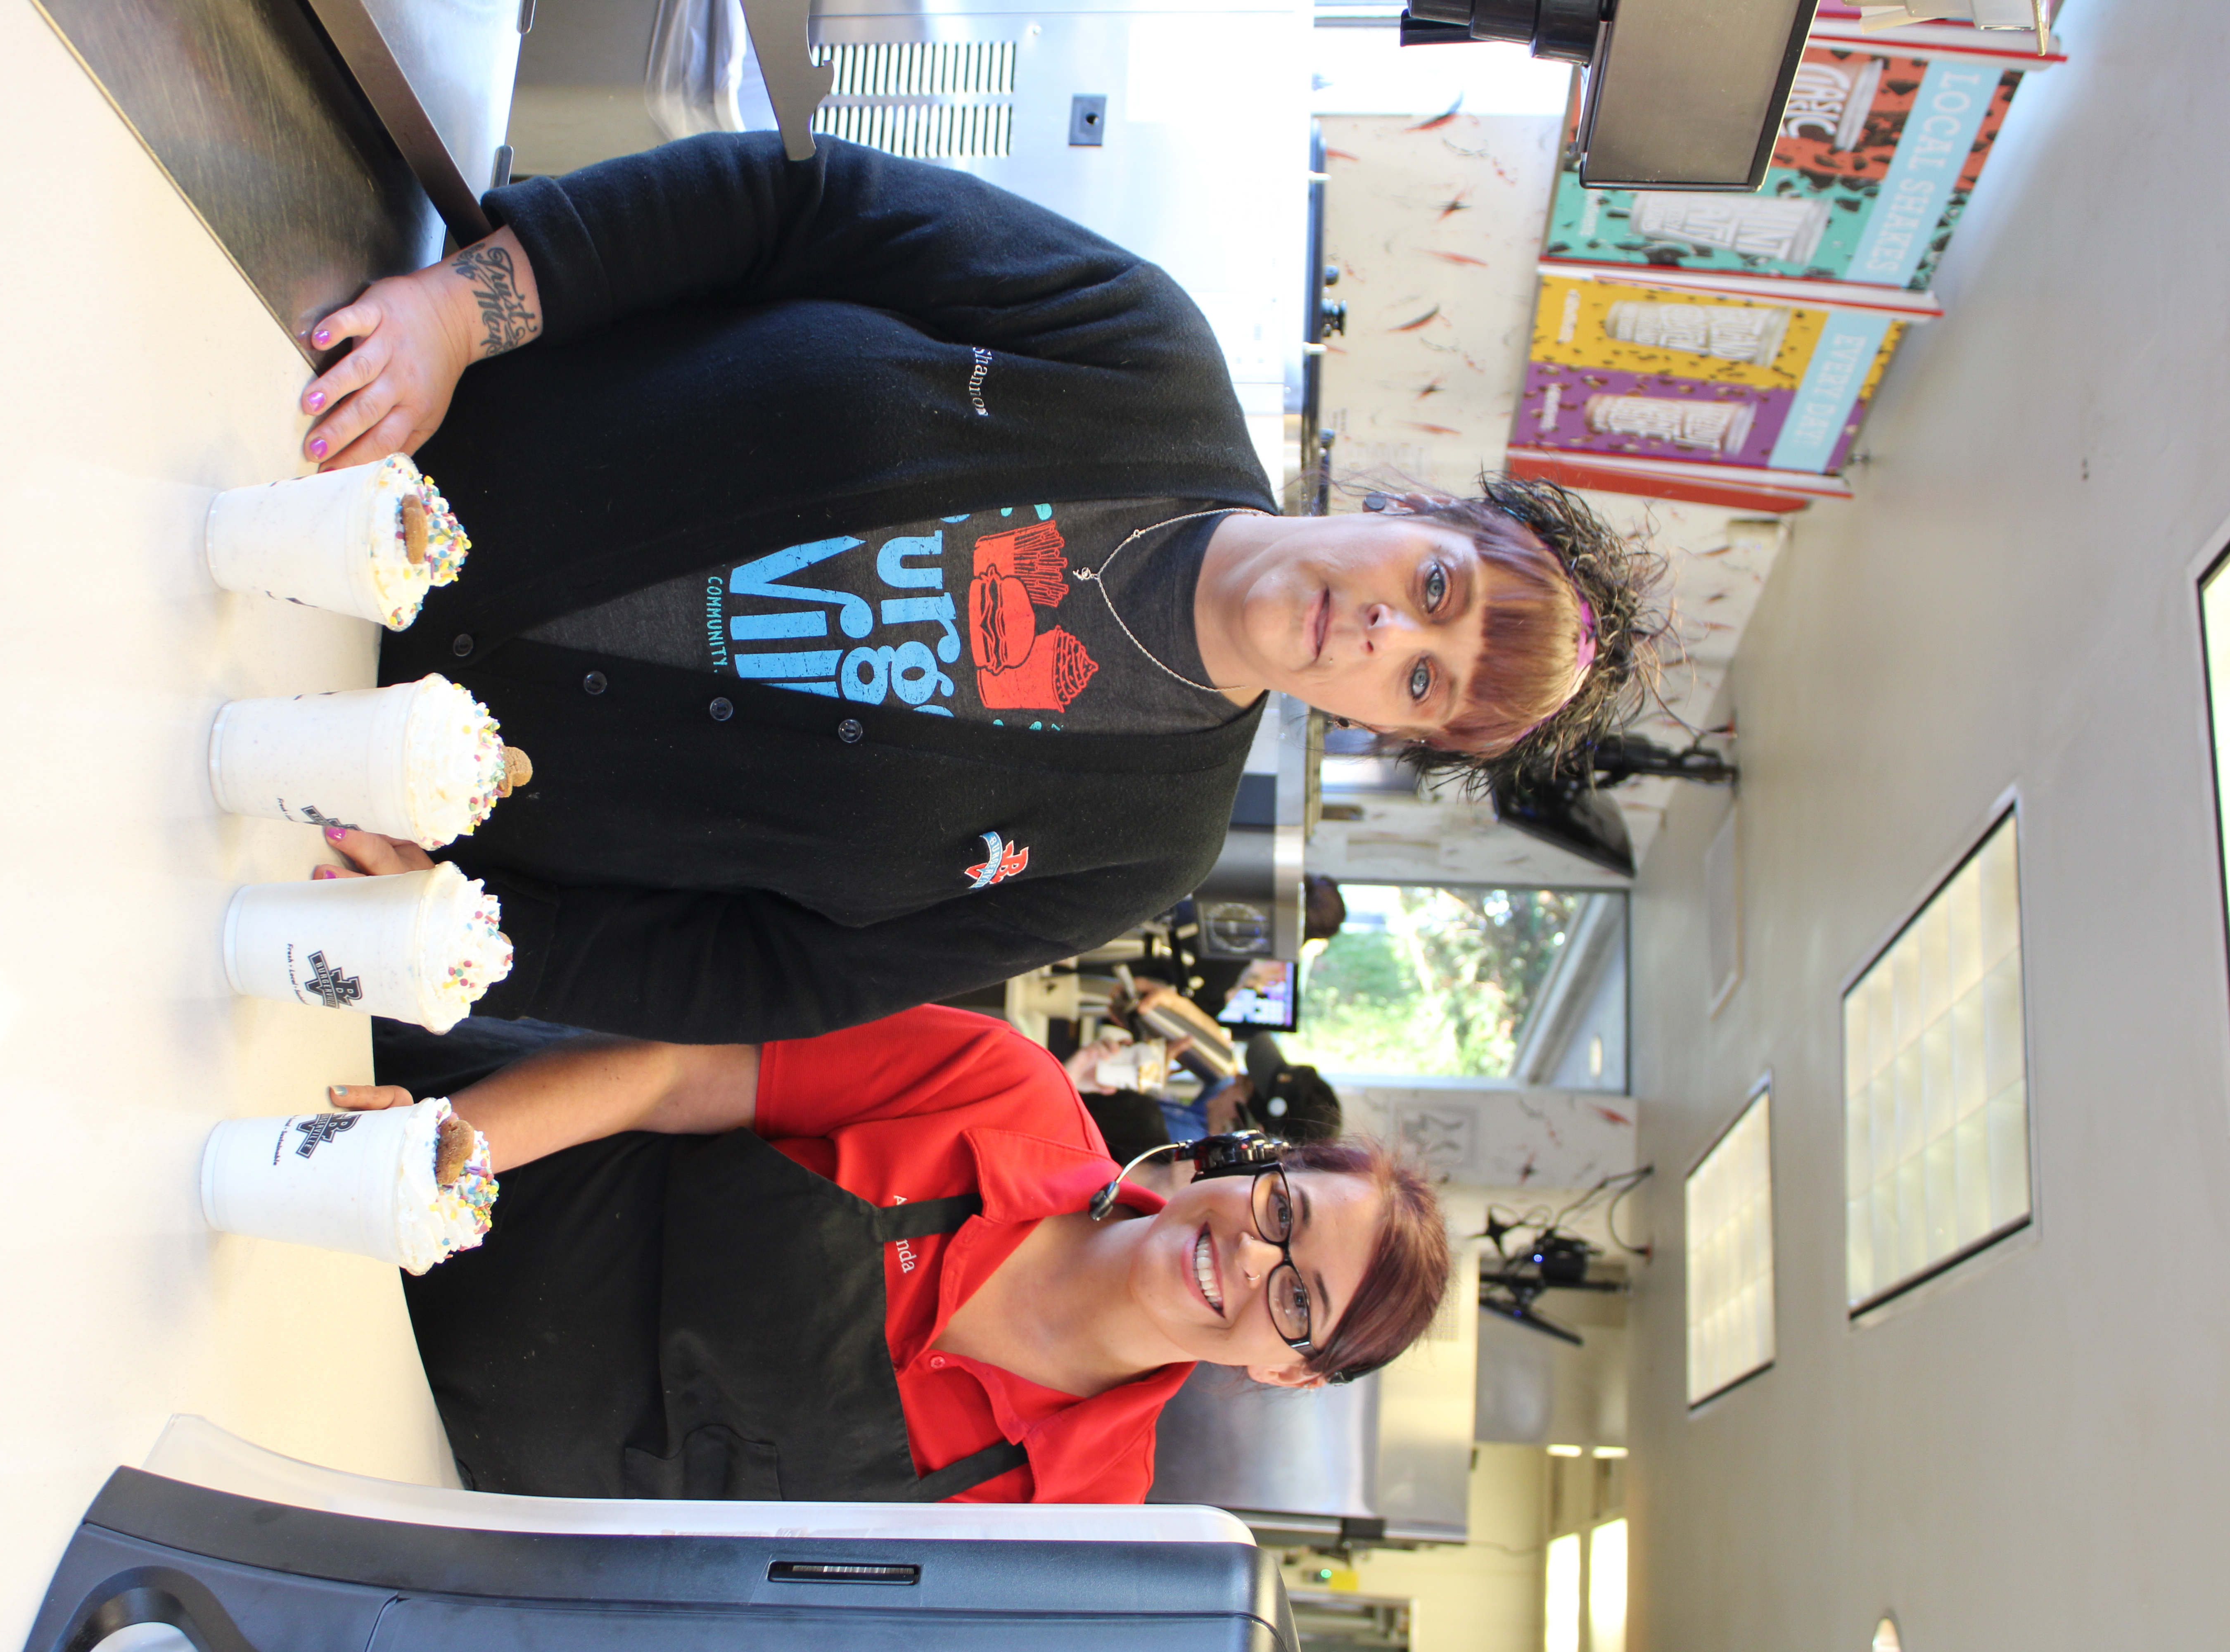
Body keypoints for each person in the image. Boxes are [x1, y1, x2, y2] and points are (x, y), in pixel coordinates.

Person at [299, 132, 1656, 1042]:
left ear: (1392, 730)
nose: (1381, 631)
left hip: (354, 790)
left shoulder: (1155, 843)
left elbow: (779, 976)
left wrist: (467, 932)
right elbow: (793, 205)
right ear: (1416, 514)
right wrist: (461, 311)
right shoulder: (1145, 355)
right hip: (355, 436)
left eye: (1422, 677)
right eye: (1434, 585)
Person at [332, 1006, 1452, 1502]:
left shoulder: (1076, 1516)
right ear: (1252, 1163)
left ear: (1286, 1370)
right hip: (380, 1187)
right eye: (1284, 1214)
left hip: (389, 1470)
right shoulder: (1001, 1090)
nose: (1254, 1262)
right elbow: (677, 1071)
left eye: (1298, 1301)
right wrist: (441, 1157)